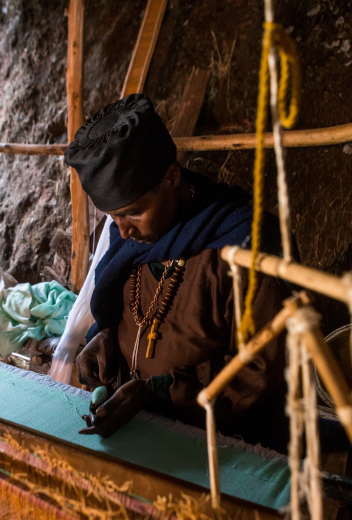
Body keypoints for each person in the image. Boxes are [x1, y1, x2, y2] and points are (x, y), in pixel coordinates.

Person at [64, 94, 290, 452]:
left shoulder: (241, 249)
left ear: (171, 177)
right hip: (140, 432)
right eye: (113, 217)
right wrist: (105, 336)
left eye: (133, 213)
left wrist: (160, 393)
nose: (122, 232)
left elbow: (258, 368)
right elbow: (126, 315)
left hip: (220, 448)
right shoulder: (130, 238)